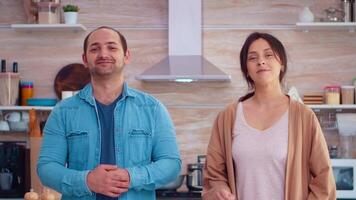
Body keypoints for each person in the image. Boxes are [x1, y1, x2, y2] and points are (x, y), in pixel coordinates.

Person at [37, 26, 181, 200]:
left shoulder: (152, 109)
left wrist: (131, 177)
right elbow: (46, 168)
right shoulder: (63, 111)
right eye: (95, 49)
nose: (103, 54)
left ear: (126, 56)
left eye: (112, 47)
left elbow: (171, 164)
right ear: (85, 59)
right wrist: (87, 180)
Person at [202, 32, 336, 200]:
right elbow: (214, 176)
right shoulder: (227, 117)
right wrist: (219, 190)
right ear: (246, 70)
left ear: (282, 64)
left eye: (268, 55)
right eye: (252, 58)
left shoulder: (304, 117)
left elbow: (324, 181)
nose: (261, 61)